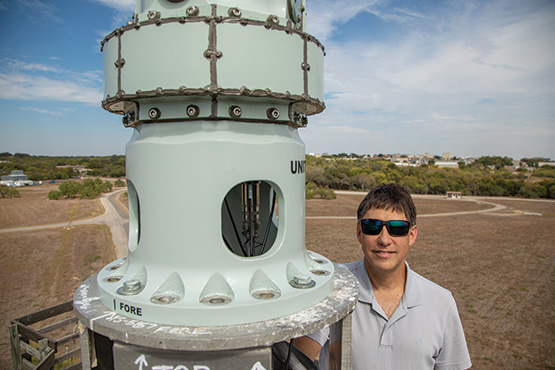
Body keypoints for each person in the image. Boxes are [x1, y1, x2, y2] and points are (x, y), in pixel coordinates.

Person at [295, 183, 472, 370]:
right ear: (358, 232)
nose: (384, 240)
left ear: (412, 235)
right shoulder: (332, 288)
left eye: (397, 228)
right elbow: (297, 360)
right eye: (372, 226)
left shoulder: (441, 303)